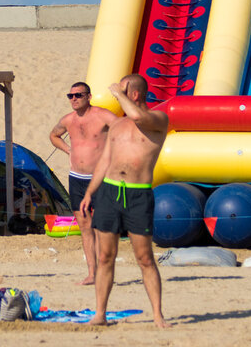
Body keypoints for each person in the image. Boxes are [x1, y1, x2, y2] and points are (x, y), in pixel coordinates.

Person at [80, 75, 172, 328]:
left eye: (122, 90)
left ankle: (158, 316)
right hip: (110, 193)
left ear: (134, 94)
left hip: (138, 194)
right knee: (106, 255)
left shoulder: (158, 119)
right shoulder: (118, 126)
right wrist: (90, 193)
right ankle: (100, 314)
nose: (116, 94)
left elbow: (140, 117)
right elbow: (104, 162)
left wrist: (117, 93)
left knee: (144, 257)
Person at [49, 81, 116, 285]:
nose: (74, 99)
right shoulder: (68, 120)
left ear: (89, 96)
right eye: (70, 96)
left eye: (78, 95)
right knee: (85, 227)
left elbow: (123, 130)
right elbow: (53, 135)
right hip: (77, 178)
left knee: (101, 227)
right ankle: (92, 273)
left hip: (100, 178)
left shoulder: (103, 115)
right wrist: (69, 150)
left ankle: (105, 272)